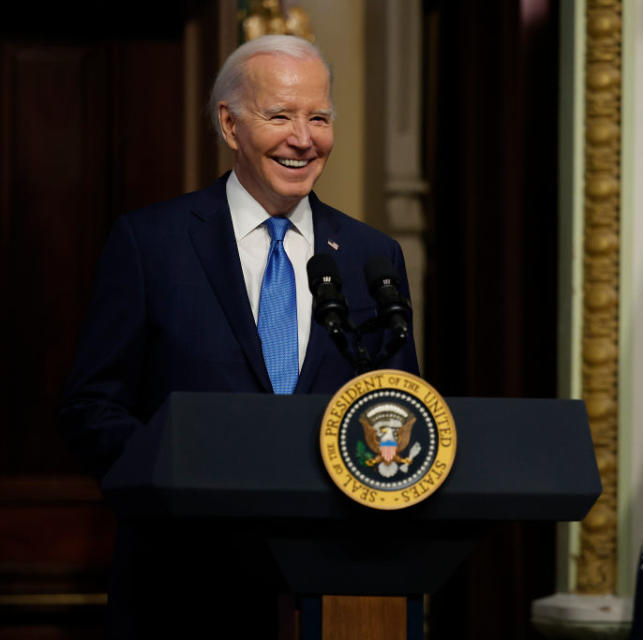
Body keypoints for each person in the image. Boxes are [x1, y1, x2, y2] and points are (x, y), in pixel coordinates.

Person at [59, 35, 418, 639]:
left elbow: (399, 408)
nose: (303, 138)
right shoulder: (152, 245)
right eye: (280, 116)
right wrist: (183, 464)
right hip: (182, 586)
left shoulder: (369, 256)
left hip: (338, 586)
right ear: (229, 124)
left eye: (319, 117)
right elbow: (91, 408)